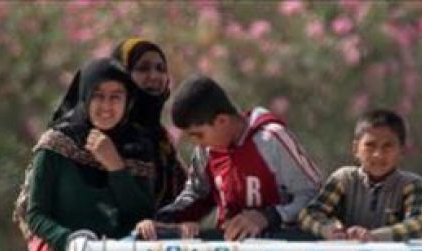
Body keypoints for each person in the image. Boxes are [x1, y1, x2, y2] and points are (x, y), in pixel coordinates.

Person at [137, 75, 321, 241]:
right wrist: (162, 221)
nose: (197, 144)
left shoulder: (271, 140)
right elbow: (196, 196)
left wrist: (268, 216)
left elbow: (315, 196)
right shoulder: (207, 151)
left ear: (222, 121)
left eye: (199, 135)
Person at [21, 57, 156, 251]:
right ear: (85, 96)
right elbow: (36, 215)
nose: (106, 106)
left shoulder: (138, 150)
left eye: (115, 97)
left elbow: (141, 216)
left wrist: (116, 167)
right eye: (98, 96)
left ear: (128, 101)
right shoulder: (56, 145)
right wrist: (71, 240)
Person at [298, 108, 422, 241]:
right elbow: (309, 214)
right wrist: (330, 230)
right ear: (356, 149)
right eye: (370, 145)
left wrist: (374, 237)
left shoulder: (411, 184)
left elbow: (420, 224)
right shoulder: (344, 179)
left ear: (402, 151)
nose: (378, 154)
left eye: (387, 146)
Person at [111, 38, 187, 207]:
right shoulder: (105, 134)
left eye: (160, 69)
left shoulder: (163, 142)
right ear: (122, 75)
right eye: (143, 68)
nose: (154, 76)